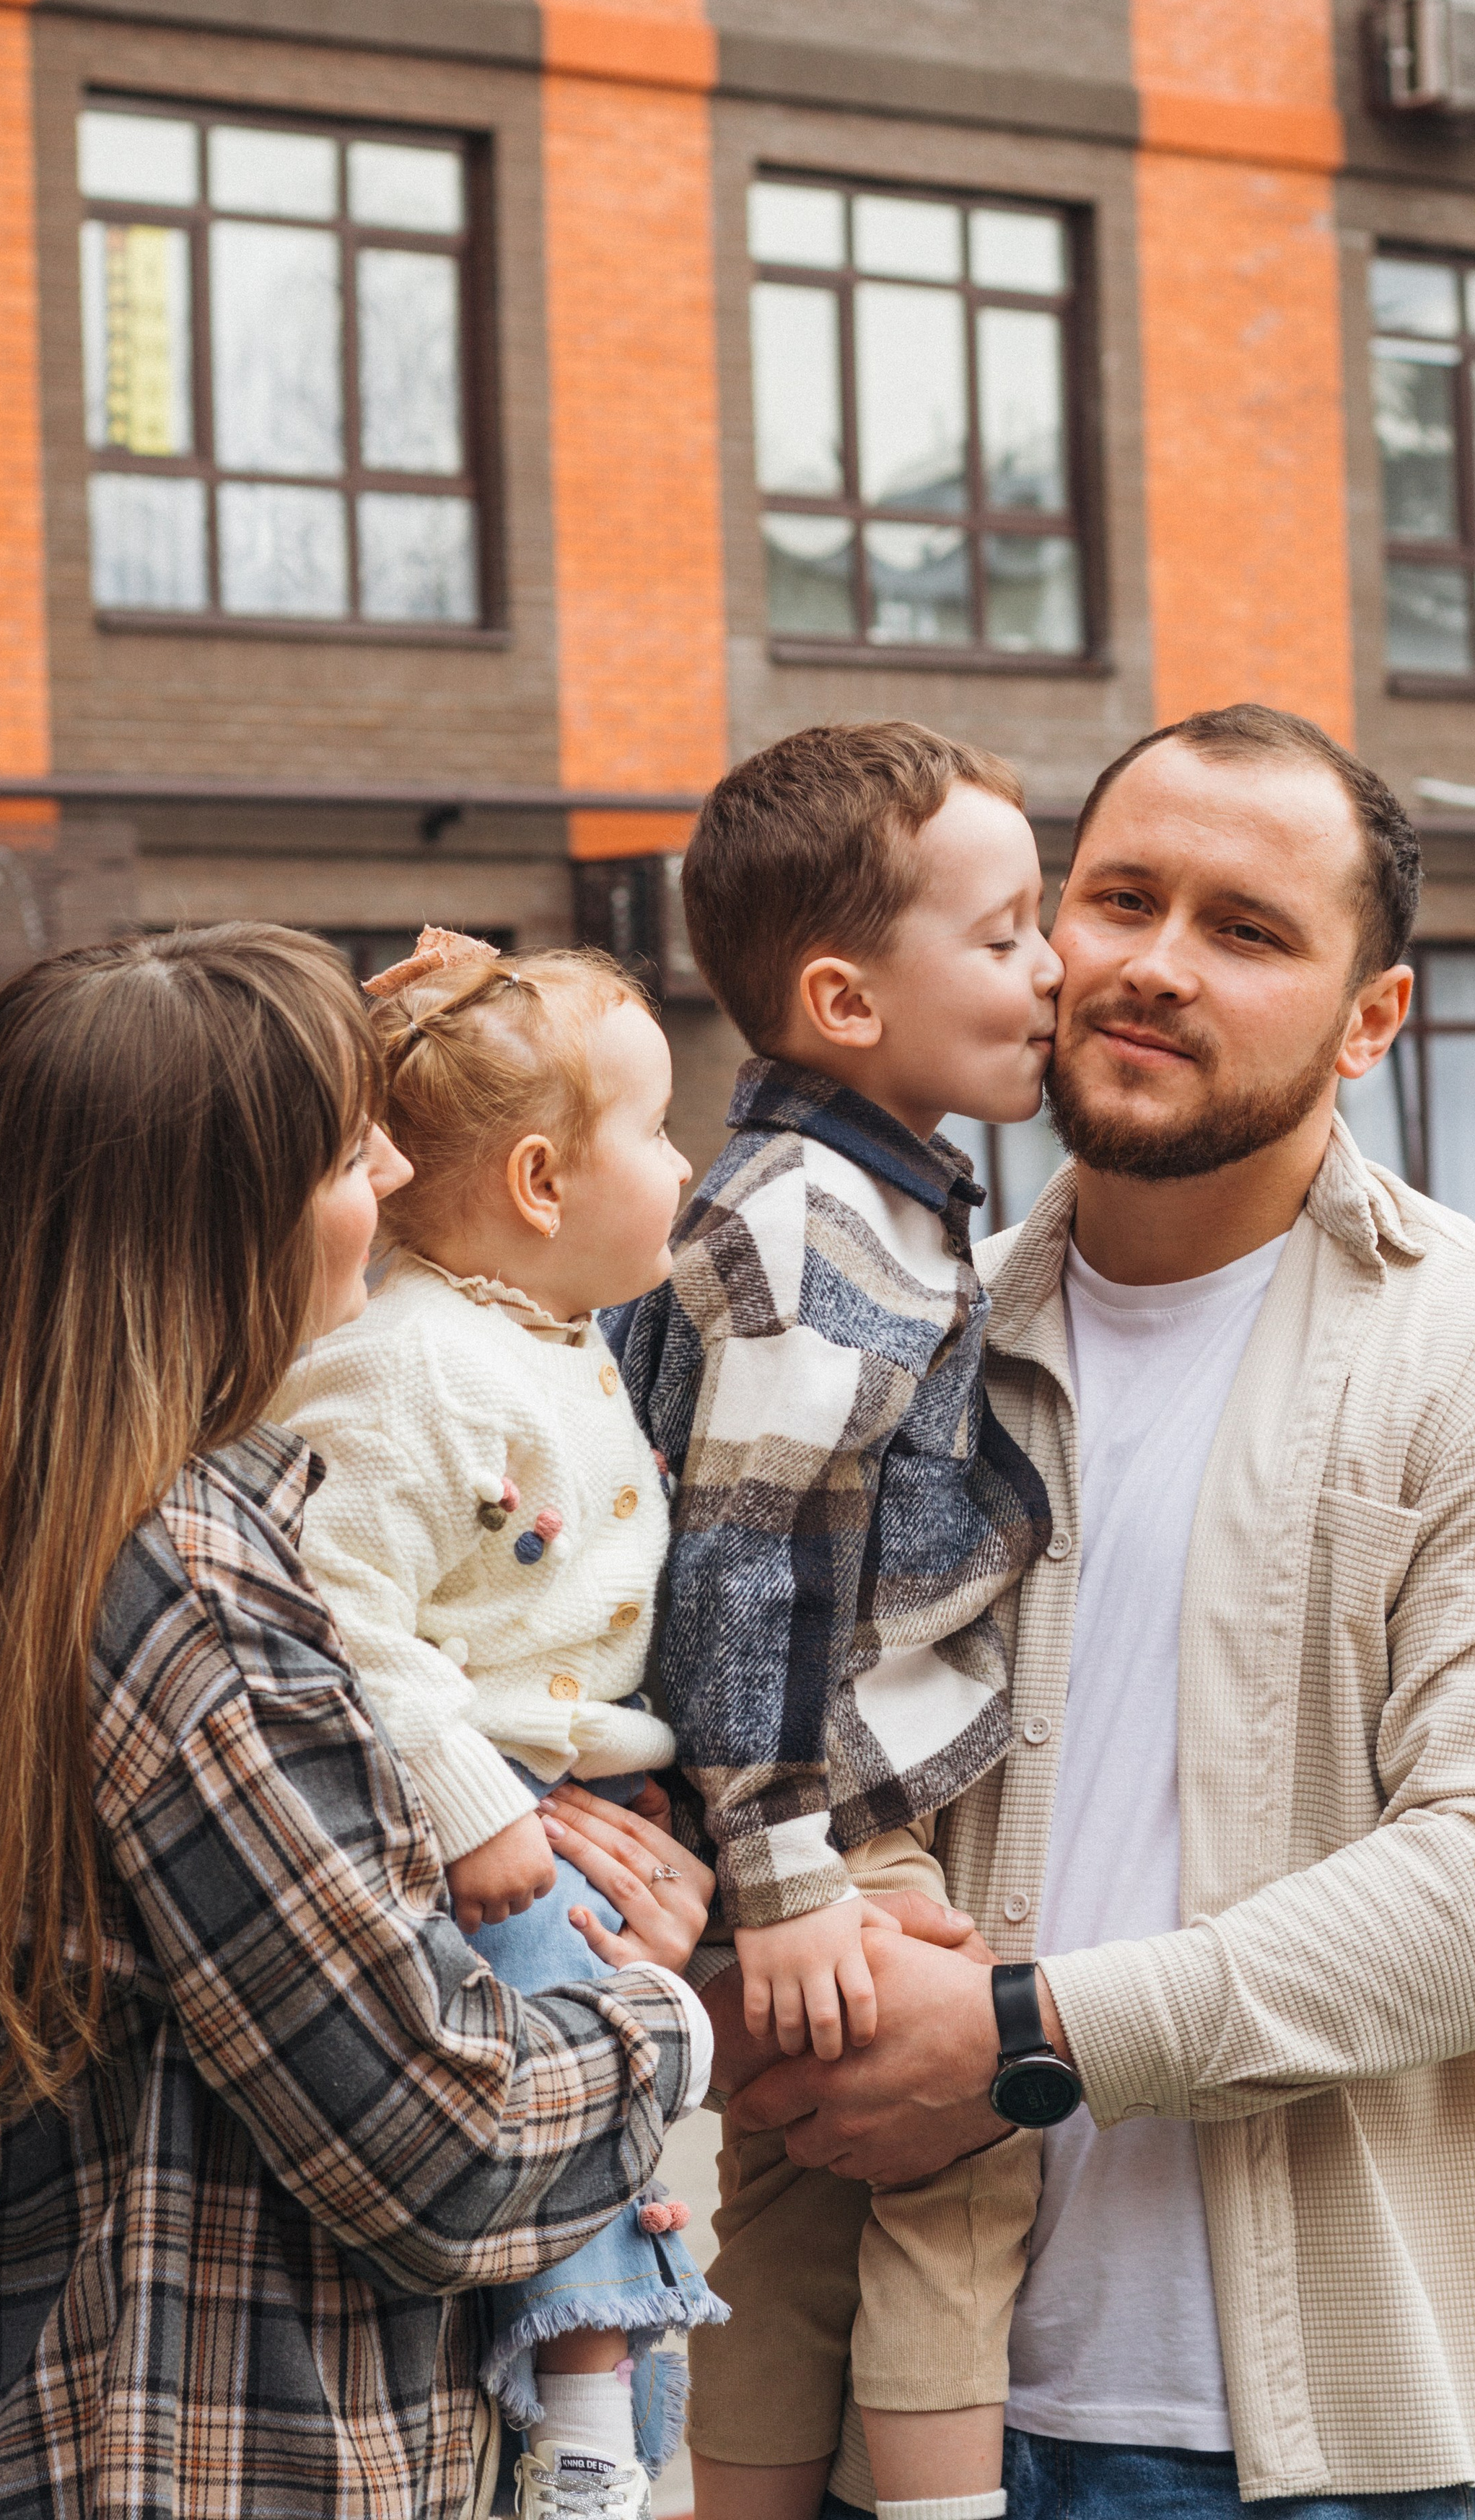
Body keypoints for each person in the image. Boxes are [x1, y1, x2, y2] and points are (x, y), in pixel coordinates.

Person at [719, 705, 1475, 2520]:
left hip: (1298, 2456)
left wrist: (1027, 2037)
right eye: (1119, 898)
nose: (1146, 967)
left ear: (1370, 1019)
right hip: (885, 2412)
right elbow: (746, 1714)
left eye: (1244, 929)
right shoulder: (897, 1336)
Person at [0, 923, 716, 2520]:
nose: (384, 1165)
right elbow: (446, 2135)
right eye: (339, 1144)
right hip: (229, 2461)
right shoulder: (199, 1587)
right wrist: (663, 2007)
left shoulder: (23, 1545)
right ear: (227, 1216)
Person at [610, 721, 1066, 2520]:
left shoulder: (860, 1194)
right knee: (954, 2180)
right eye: (1007, 930)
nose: (1050, 971)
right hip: (830, 1801)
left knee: (787, 2201)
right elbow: (749, 1559)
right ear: (843, 999)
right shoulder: (819, 1225)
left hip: (793, 1792)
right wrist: (790, 1872)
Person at [277, 929, 728, 2515]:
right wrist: (474, 1800)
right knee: (561, 2068)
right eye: (659, 1130)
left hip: (556, 1805)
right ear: (541, 1181)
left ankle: (590, 2392)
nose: (686, 1161)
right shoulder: (402, 1368)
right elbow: (335, 1617)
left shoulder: (551, 1336)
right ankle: (587, 2419)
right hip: (468, 1816)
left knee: (593, 2100)